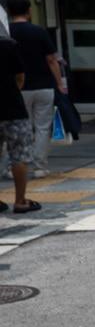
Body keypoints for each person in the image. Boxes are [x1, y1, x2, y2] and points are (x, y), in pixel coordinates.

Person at [6, 0, 64, 178]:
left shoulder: (6, 33)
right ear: (29, 11)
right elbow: (51, 59)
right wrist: (59, 82)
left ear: (8, 12)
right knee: (42, 127)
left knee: (17, 129)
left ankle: (12, 166)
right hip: (43, 86)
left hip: (16, 88)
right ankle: (40, 166)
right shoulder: (39, 31)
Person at [0, 30, 39, 212]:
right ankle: (20, 200)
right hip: (12, 108)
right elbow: (20, 77)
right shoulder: (8, 45)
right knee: (19, 154)